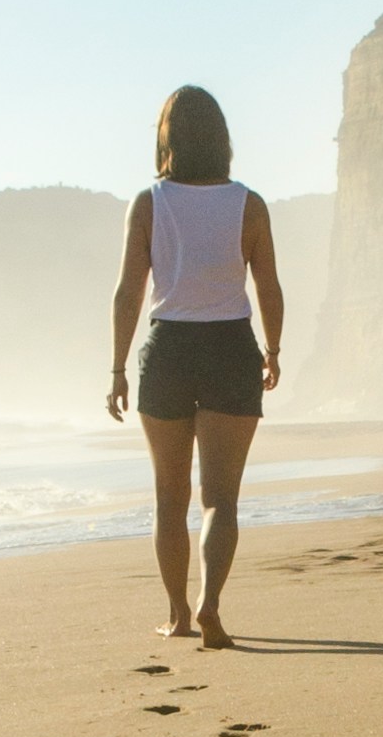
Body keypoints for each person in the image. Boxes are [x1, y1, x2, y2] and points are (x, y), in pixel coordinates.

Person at [107, 85, 282, 647]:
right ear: (222, 139)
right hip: (231, 347)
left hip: (169, 350)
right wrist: (273, 351)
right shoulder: (248, 204)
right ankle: (211, 606)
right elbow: (270, 288)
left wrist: (116, 369)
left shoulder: (150, 202)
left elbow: (127, 293)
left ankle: (179, 614)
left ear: (168, 138)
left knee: (169, 495)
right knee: (221, 499)